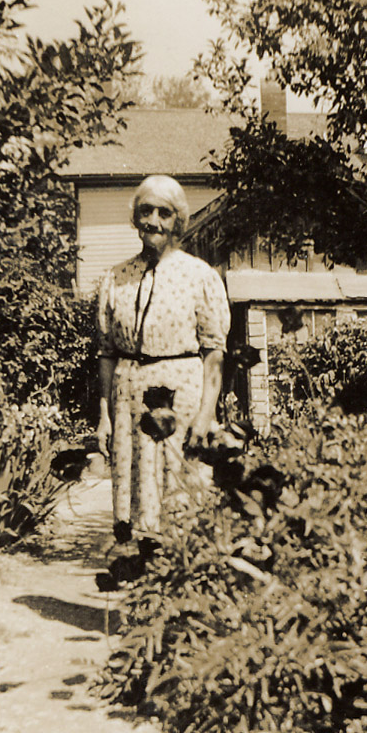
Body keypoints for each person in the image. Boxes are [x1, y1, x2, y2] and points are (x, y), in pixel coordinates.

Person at [96, 174, 230, 542]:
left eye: (164, 213)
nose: (153, 221)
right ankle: (138, 565)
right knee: (135, 497)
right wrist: (104, 416)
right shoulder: (116, 278)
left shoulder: (199, 276)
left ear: (178, 221)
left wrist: (206, 414)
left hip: (180, 399)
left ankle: (177, 569)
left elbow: (214, 351)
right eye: (145, 211)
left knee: (178, 490)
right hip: (127, 401)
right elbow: (106, 353)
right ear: (135, 218)